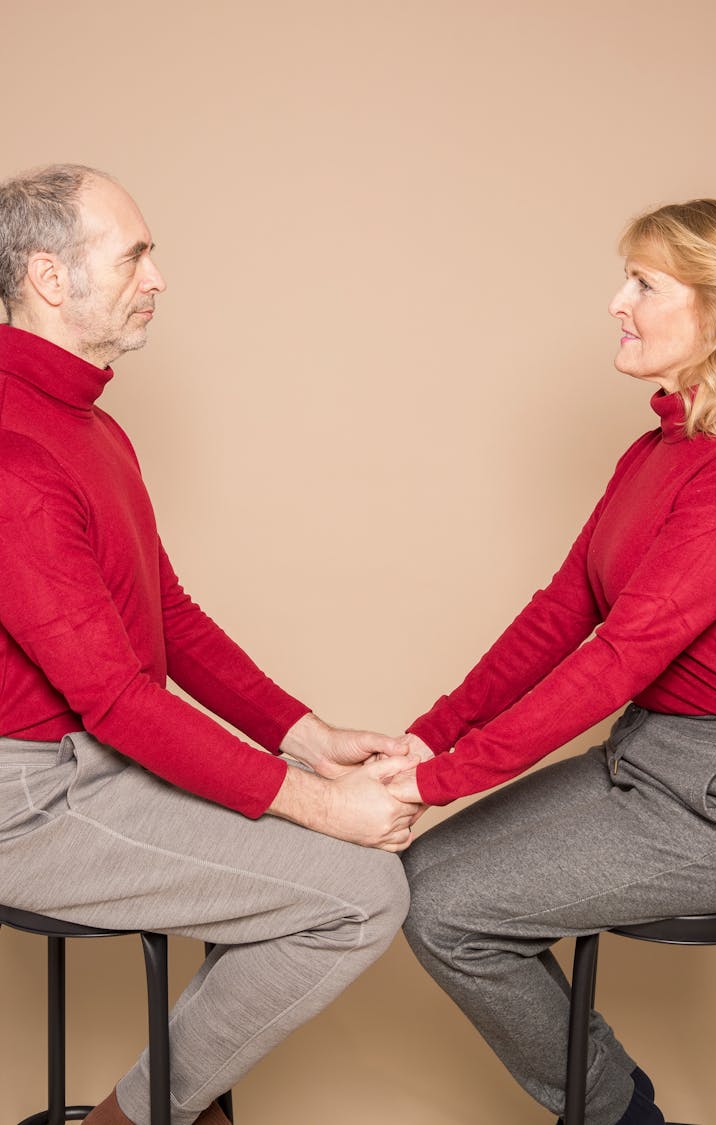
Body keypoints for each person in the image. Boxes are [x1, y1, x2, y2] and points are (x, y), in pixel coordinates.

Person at [0, 164, 419, 1125]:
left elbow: (168, 614)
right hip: (30, 799)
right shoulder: (15, 449)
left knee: (343, 878)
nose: (158, 277)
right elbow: (114, 698)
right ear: (49, 278)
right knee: (360, 895)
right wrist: (321, 808)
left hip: (98, 766)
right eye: (134, 254)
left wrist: (306, 737)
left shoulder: (90, 423)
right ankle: (134, 1120)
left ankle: (168, 1105)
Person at [386, 199, 716, 1125]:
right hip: (645, 758)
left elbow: (621, 655)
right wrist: (428, 738)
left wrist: (442, 779)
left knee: (451, 911)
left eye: (644, 283)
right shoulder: (656, 450)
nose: (616, 302)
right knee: (425, 886)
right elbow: (565, 610)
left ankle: (618, 1112)